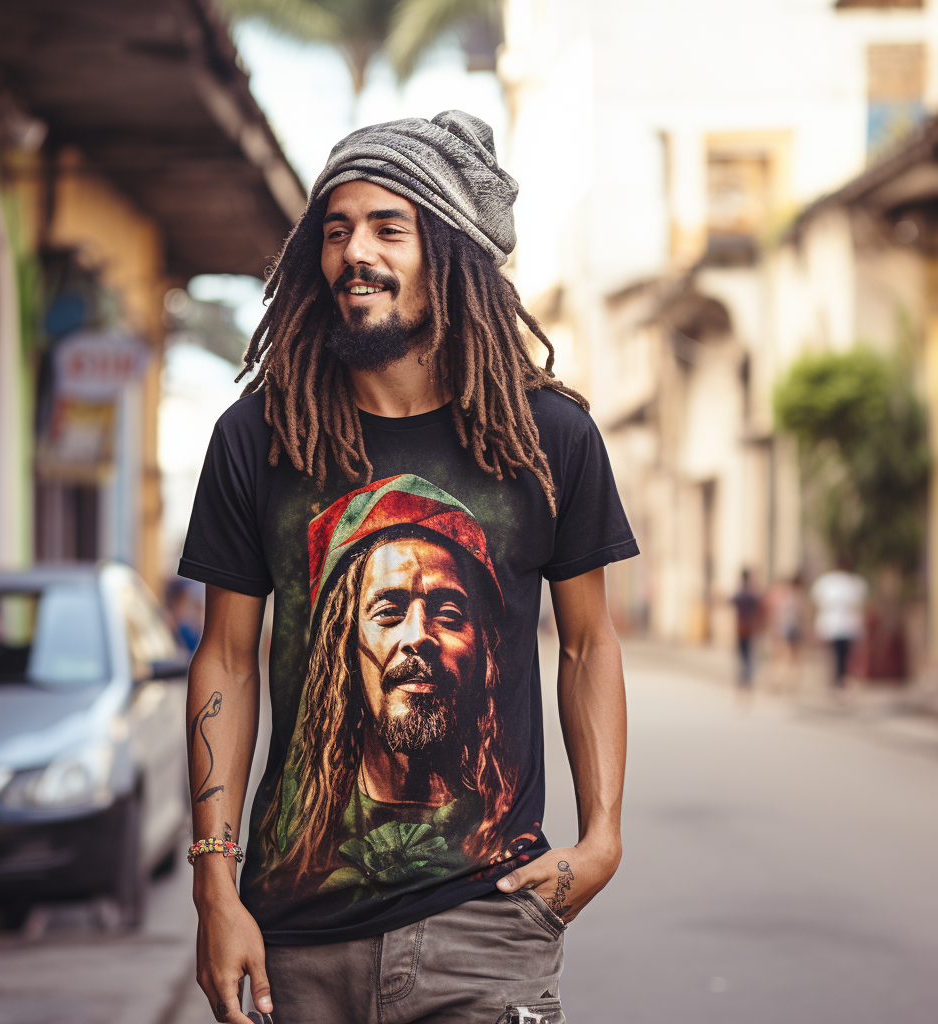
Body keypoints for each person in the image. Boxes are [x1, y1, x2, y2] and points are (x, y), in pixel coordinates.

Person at [179, 110, 638, 1024]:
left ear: (454, 256)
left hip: (489, 926)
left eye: (391, 228)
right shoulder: (259, 437)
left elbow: (588, 646)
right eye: (337, 229)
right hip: (295, 936)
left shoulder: (548, 439)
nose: (358, 251)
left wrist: (602, 842)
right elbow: (227, 660)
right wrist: (214, 890)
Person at [811, 562, 868, 688]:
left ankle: (839, 679)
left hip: (841, 626)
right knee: (838, 655)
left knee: (840, 655)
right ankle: (838, 679)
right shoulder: (850, 583)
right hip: (838, 626)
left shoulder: (845, 582)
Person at [731, 568, 761, 688]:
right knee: (748, 652)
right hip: (748, 625)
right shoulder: (751, 593)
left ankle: (744, 675)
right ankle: (747, 675)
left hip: (742, 625)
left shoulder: (741, 593)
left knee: (743, 652)